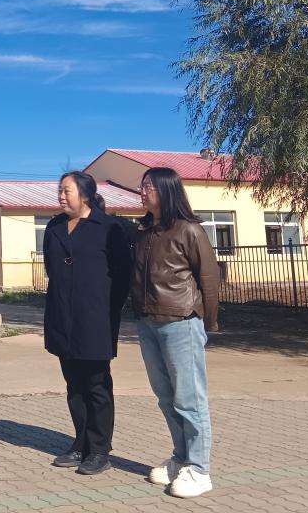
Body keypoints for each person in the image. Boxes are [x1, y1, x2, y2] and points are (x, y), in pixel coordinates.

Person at [130, 166, 220, 498]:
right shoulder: (144, 231)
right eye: (142, 186)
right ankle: (180, 458)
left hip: (181, 322)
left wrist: (207, 323)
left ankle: (199, 469)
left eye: (149, 187)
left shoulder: (189, 229)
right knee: (166, 397)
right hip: (148, 322)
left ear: (167, 190)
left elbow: (209, 279)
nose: (142, 192)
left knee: (189, 399)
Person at [42, 172, 131, 475]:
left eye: (67, 191)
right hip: (62, 317)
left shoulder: (108, 227)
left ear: (86, 194)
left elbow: (122, 277)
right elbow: (51, 268)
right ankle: (80, 444)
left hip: (96, 319)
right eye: (60, 190)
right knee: (74, 386)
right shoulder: (54, 227)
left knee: (96, 385)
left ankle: (100, 450)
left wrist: (107, 310)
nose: (61, 196)